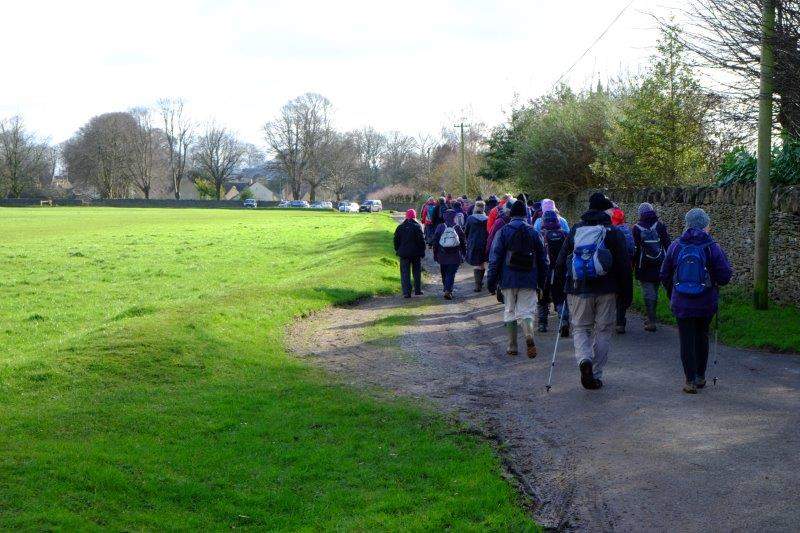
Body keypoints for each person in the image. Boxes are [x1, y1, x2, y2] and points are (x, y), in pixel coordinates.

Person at [555, 192, 633, 390]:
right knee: (603, 330)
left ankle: (584, 361)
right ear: (605, 210)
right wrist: (626, 294)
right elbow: (624, 266)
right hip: (607, 290)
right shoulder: (613, 232)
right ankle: (596, 373)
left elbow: (561, 261)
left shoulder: (576, 229)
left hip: (578, 288)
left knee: (581, 328)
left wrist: (558, 290)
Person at [660, 208, 732, 394]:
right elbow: (724, 276)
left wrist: (673, 292)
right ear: (705, 225)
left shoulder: (676, 245)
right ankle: (700, 376)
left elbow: (664, 273)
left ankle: (689, 380)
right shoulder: (711, 246)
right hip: (705, 301)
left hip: (681, 301)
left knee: (686, 339)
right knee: (701, 336)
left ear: (687, 224)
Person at [486, 198, 548, 358]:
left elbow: (495, 259)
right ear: (526, 215)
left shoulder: (503, 232)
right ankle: (528, 335)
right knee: (526, 312)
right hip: (529, 278)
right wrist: (542, 282)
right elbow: (543, 260)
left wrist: (491, 282)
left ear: (511, 214)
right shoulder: (534, 232)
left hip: (508, 279)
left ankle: (512, 346)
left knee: (510, 310)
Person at [633, 202, 672, 332]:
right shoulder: (660, 225)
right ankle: (651, 318)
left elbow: (635, 249)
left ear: (640, 214)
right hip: (660, 263)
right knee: (654, 289)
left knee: (648, 291)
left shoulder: (637, 228)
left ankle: (651, 320)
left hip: (643, 265)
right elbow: (667, 244)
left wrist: (633, 266)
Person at [537, 210, 570, 336]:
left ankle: (542, 324)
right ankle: (564, 320)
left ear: (544, 221)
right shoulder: (565, 234)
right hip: (561, 271)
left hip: (545, 271)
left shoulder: (540, 235)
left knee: (542, 298)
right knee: (561, 297)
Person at [611, 207, 636, 334]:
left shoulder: (609, 230)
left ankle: (608, 320)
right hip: (625, 266)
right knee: (622, 294)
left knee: (611, 293)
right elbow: (632, 249)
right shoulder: (626, 230)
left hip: (612, 268)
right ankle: (620, 322)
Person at [432, 208, 466, 300]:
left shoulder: (440, 227)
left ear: (444, 216)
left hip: (442, 255)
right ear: (454, 217)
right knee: (451, 273)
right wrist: (463, 253)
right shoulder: (457, 227)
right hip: (455, 255)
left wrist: (435, 254)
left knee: (444, 272)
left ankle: (446, 288)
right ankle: (448, 290)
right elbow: (463, 241)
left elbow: (435, 241)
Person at [393, 209, 426, 298]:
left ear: (406, 217)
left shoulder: (400, 227)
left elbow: (396, 241)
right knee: (416, 272)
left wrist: (398, 250)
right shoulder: (417, 226)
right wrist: (423, 251)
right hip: (416, 254)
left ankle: (406, 292)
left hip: (404, 254)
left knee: (405, 273)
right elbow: (421, 241)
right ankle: (417, 290)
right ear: (414, 216)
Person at [464, 200, 489, 291]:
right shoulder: (487, 219)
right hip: (484, 242)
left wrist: (467, 240)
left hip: (474, 243)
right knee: (482, 263)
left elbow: (466, 231)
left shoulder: (470, 218)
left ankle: (477, 285)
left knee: (477, 263)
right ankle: (479, 282)